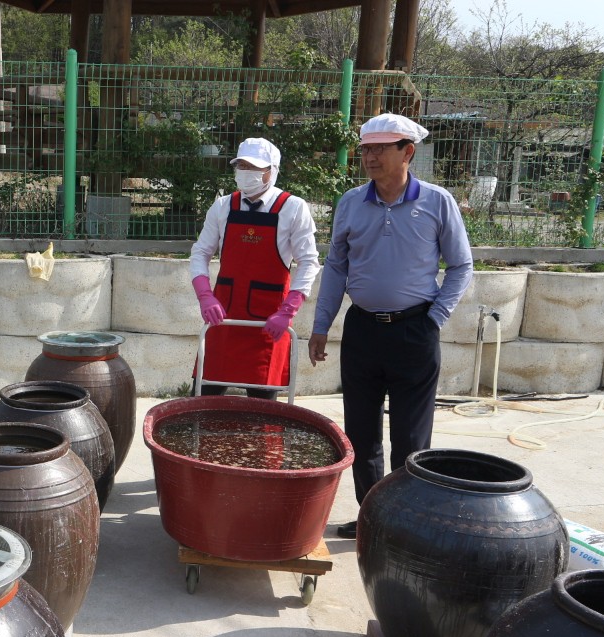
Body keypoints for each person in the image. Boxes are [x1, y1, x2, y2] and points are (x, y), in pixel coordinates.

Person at [308, 114, 473, 539]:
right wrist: (321, 325)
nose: (370, 156)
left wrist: (435, 317)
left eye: (381, 148)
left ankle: (406, 524)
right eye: (366, 148)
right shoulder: (350, 203)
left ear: (408, 152)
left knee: (411, 437)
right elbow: (336, 266)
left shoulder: (436, 202)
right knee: (360, 434)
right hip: (362, 331)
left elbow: (461, 265)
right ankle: (373, 518)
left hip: (414, 332)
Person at [190, 137, 320, 400]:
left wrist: (288, 310)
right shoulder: (223, 206)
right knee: (203, 400)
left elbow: (308, 262)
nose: (246, 173)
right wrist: (205, 296)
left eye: (254, 167)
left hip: (268, 323)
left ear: (272, 171)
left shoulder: (293, 208)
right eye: (242, 166)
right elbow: (200, 252)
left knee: (263, 407)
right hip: (224, 319)